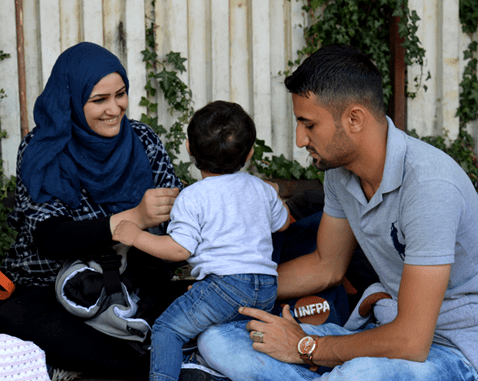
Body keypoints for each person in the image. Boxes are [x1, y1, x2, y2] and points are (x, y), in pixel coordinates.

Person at [196, 44, 478, 380]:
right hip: (383, 333)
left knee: (360, 374)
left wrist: (307, 347)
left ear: (354, 119)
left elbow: (412, 341)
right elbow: (325, 266)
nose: (300, 139)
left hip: (452, 351)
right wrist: (223, 289)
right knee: (218, 341)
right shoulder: (340, 175)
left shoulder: (429, 186)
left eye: (309, 124)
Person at [0, 42, 184, 380]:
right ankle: (146, 365)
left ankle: (122, 352)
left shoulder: (143, 141)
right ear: (70, 99)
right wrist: (134, 219)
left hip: (129, 280)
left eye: (121, 94)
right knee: (16, 316)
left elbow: (178, 222)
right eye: (99, 100)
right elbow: (51, 238)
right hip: (52, 282)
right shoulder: (43, 149)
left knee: (183, 300)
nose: (114, 109)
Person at [112, 100, 291, 381]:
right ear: (250, 153)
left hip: (225, 286)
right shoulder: (261, 188)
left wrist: (136, 236)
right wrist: (275, 193)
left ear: (188, 148)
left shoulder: (193, 196)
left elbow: (178, 249)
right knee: (234, 338)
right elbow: (284, 223)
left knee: (167, 329)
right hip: (267, 287)